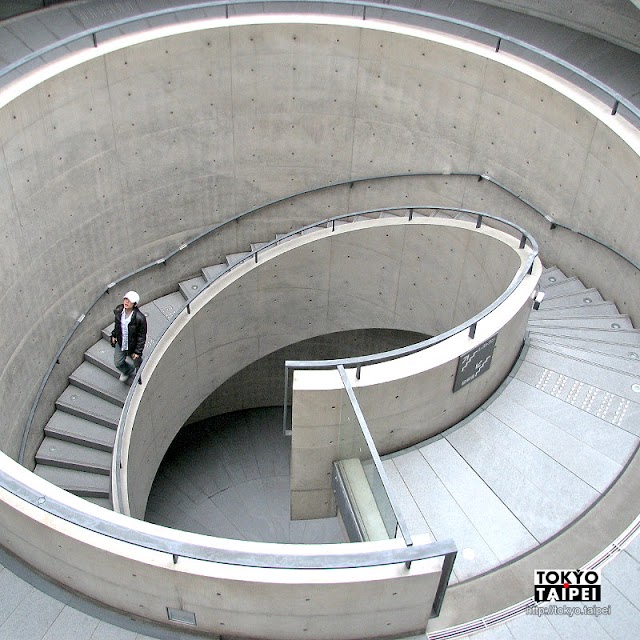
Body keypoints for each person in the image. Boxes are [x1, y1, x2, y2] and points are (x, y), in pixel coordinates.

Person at [110, 291, 147, 382]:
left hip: (133, 344)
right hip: (121, 341)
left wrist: (138, 352)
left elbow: (141, 336)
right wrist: (114, 335)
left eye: (129, 301)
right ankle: (128, 370)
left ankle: (140, 375)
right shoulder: (119, 311)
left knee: (137, 361)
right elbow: (118, 325)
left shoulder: (140, 318)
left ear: (134, 304)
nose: (126, 302)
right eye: (125, 299)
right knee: (118, 362)